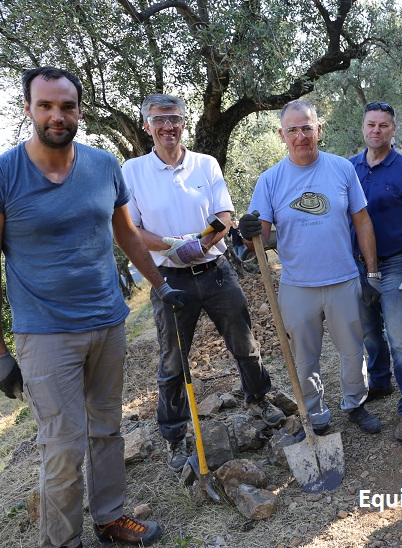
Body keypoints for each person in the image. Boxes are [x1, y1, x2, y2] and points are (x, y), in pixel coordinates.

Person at [0, 67, 178, 547]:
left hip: (108, 323)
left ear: (79, 111)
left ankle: (110, 518)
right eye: (45, 105)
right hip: (45, 334)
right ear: (28, 108)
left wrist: (161, 286)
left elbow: (127, 234)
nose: (57, 115)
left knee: (106, 429)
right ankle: (62, 542)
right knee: (62, 447)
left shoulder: (103, 166)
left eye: (66, 106)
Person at [121, 94, 285, 472]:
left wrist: (200, 244)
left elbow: (223, 215)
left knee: (245, 343)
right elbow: (130, 228)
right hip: (168, 280)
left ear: (183, 123)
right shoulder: (133, 171)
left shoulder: (205, 163)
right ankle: (175, 435)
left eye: (174, 119)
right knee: (172, 361)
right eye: (159, 119)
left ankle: (258, 399)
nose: (167, 126)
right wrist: (170, 247)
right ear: (147, 126)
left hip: (215, 271)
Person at [240, 99, 383, 436]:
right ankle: (315, 414)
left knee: (353, 352)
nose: (300, 136)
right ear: (282, 135)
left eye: (306, 128)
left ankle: (355, 404)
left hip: (343, 280)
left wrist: (372, 273)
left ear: (319, 129)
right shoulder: (270, 180)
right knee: (304, 359)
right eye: (292, 130)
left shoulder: (341, 169)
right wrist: (247, 233)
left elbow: (362, 221)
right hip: (297, 285)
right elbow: (258, 238)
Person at [349, 102, 402, 442]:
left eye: (383, 125)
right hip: (356, 264)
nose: (376, 130)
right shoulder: (349, 168)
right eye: (371, 124)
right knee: (369, 332)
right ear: (363, 128)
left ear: (393, 130)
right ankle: (380, 382)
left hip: (395, 263)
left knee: (399, 338)